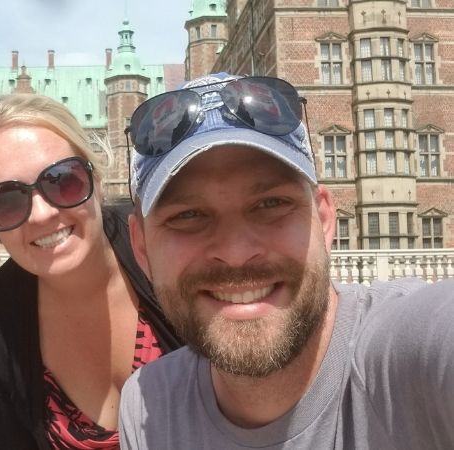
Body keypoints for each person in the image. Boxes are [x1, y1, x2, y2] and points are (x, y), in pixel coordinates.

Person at [119, 73, 454, 449]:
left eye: (270, 204)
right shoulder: (149, 406)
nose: (236, 252)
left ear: (325, 220)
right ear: (142, 248)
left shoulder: (411, 352)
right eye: (188, 215)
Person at [0, 93, 182, 449]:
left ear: (96, 180)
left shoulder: (167, 249)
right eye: (5, 200)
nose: (41, 214)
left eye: (62, 180)